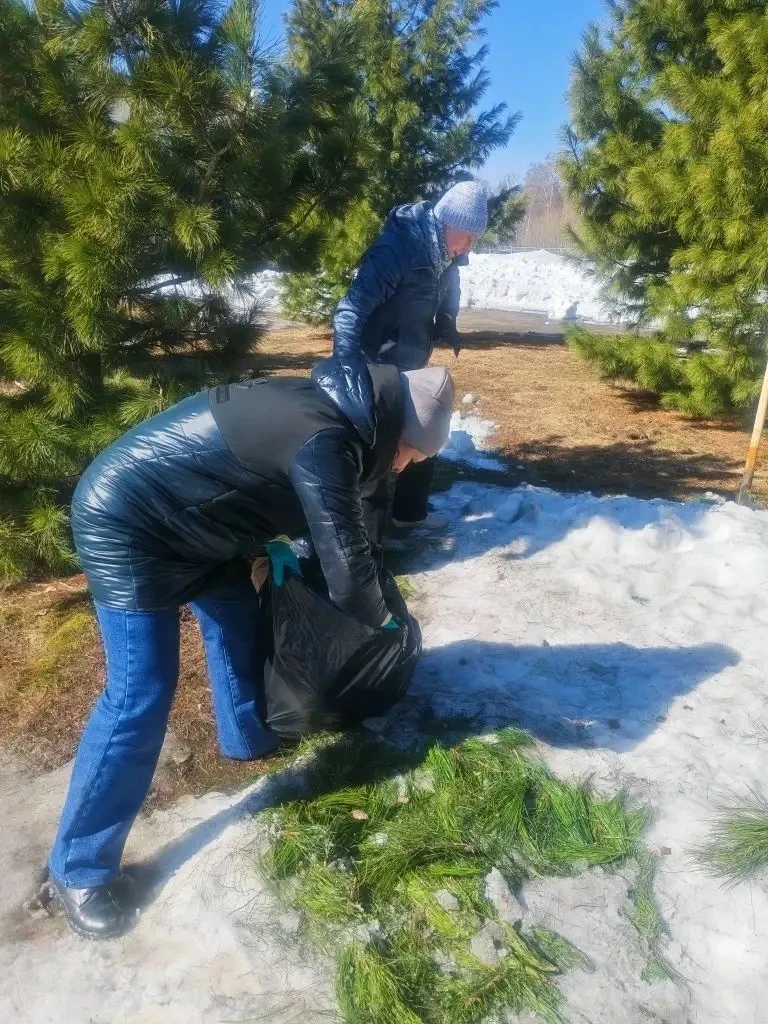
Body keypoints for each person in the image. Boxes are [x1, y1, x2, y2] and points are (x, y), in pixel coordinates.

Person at [47, 358, 455, 940]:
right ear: (399, 431)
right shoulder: (326, 439)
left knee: (236, 615)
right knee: (140, 690)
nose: (406, 465)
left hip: (200, 526)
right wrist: (383, 621)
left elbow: (288, 498)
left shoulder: (338, 415)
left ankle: (246, 735)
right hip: (129, 523)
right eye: (413, 454)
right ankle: (79, 868)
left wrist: (282, 544)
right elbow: (346, 569)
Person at [332, 180, 488, 532]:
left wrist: (447, 319)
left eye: (474, 239)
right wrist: (346, 367)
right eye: (468, 237)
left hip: (412, 354)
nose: (470, 247)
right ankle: (363, 532)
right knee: (376, 444)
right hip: (375, 360)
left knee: (425, 424)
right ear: (449, 222)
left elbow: (450, 286)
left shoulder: (447, 254)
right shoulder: (398, 249)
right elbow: (350, 310)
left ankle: (409, 513)